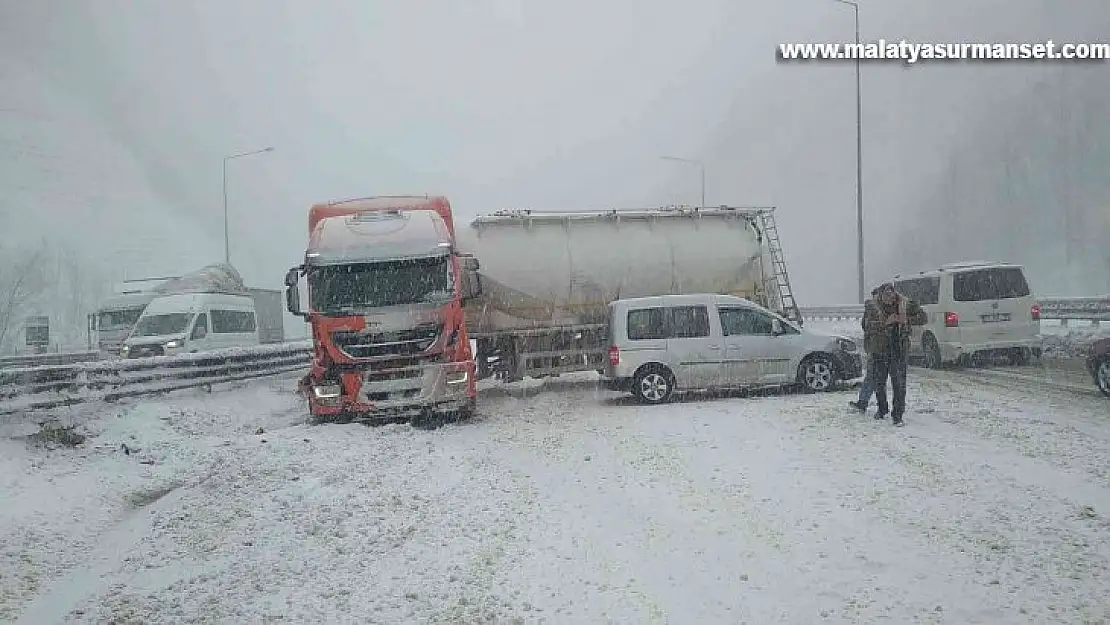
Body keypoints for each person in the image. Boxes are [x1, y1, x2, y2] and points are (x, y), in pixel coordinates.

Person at [864, 282, 927, 426]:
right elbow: (867, 327)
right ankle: (882, 409)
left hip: (898, 350)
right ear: (880, 296)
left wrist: (906, 320)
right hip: (879, 350)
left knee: (899, 385)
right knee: (879, 383)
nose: (889, 298)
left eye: (891, 294)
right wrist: (886, 322)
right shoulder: (872, 307)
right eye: (886, 295)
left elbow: (923, 317)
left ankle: (897, 415)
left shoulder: (904, 304)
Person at [849, 287, 881, 411]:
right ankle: (868, 403)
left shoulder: (870, 310)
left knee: (872, 377)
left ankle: (864, 402)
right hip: (878, 348)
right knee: (874, 377)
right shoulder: (878, 310)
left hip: (874, 348)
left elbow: (865, 327)